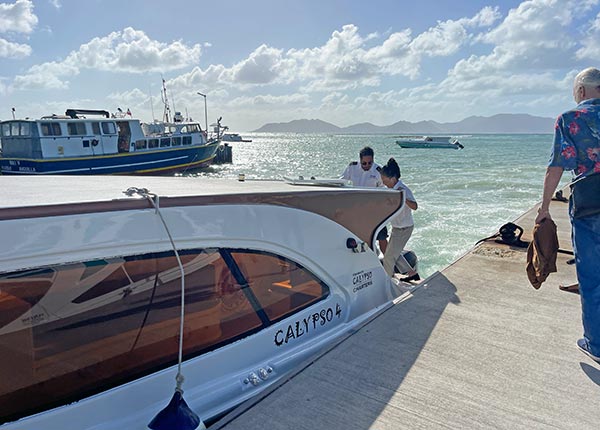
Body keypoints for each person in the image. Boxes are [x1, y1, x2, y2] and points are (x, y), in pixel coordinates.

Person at [535, 66, 600, 364]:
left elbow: (556, 166)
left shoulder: (571, 119)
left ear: (583, 91)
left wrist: (544, 207)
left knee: (591, 275)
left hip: (590, 206)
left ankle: (595, 343)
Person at [341, 146, 388, 252]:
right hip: (357, 209)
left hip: (374, 209)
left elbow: (384, 189)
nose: (367, 165)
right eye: (364, 163)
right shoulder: (352, 167)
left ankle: (389, 261)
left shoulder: (378, 171)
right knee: (358, 237)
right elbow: (341, 182)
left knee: (382, 236)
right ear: (360, 160)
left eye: (370, 163)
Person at [380, 157, 419, 282]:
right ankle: (412, 273)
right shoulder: (391, 190)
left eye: (385, 180)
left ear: (392, 178)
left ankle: (386, 282)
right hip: (397, 228)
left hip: (405, 228)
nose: (384, 183)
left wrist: (403, 198)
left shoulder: (403, 189)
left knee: (388, 258)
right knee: (392, 253)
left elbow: (415, 206)